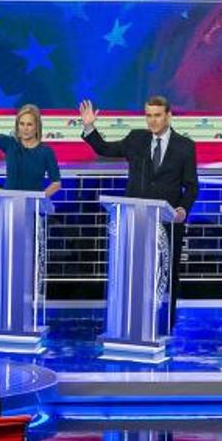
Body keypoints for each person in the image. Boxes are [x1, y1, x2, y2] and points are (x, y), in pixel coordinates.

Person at [79, 95, 198, 331]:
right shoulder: (136, 139)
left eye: (157, 115)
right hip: (136, 220)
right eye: (148, 116)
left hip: (168, 223)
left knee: (167, 273)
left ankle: (165, 325)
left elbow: (192, 185)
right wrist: (89, 126)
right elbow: (105, 148)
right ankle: (131, 320)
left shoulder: (185, 146)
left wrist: (183, 207)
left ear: (168, 116)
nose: (152, 121)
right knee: (134, 271)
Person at [0, 83, 60, 196]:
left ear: (37, 126)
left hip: (32, 207)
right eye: (21, 124)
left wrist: (38, 198)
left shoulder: (46, 152)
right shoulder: (10, 144)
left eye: (29, 124)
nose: (25, 128)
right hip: (8, 204)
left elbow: (56, 183)